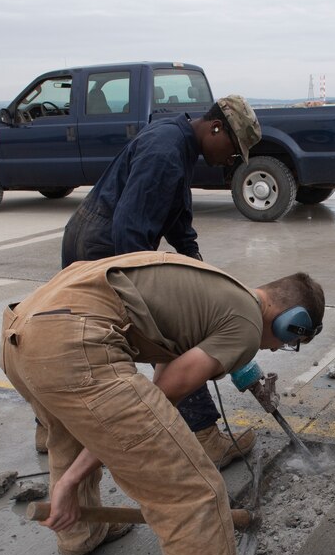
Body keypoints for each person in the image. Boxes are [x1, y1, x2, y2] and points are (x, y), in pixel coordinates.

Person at [0, 251, 324, 555]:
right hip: (75, 344)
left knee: (71, 430)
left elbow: (149, 385)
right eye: (288, 343)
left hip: (23, 332)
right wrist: (72, 479)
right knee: (194, 497)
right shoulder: (248, 324)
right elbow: (163, 391)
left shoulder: (215, 291)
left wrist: (79, 469)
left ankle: (81, 532)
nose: (274, 351)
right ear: (293, 322)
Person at [52, 95, 263, 470]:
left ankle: (51, 429)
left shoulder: (179, 142)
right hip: (103, 247)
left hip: (96, 236)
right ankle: (204, 436)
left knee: (79, 339)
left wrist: (203, 276)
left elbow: (179, 222)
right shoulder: (165, 152)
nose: (230, 161)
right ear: (216, 128)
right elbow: (130, 230)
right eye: (233, 151)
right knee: (172, 333)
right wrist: (154, 297)